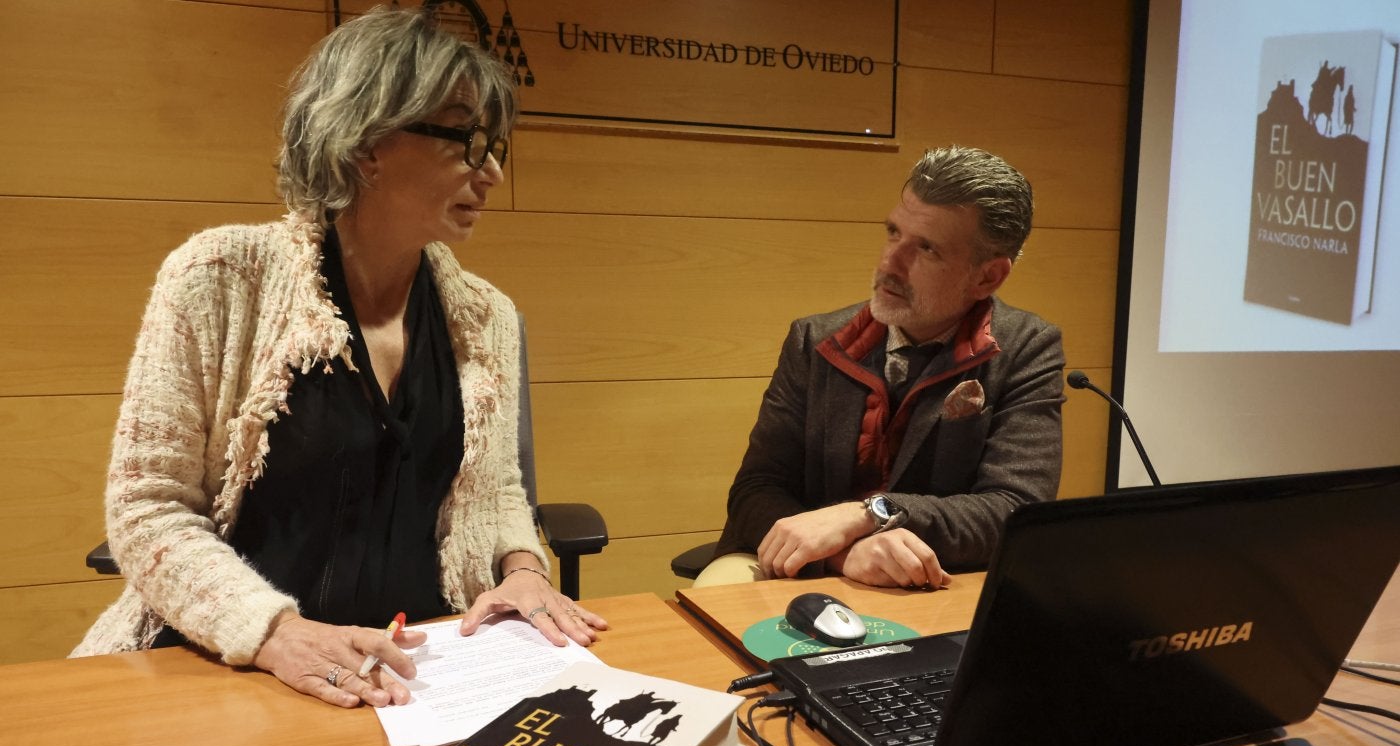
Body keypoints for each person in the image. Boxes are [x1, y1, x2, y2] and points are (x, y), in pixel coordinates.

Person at [71, 7, 605, 707]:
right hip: (235, 666)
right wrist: (276, 633)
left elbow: (497, 487)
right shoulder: (217, 277)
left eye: (495, 142)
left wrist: (524, 566)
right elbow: (149, 509)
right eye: (466, 140)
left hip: (422, 668)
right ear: (365, 143)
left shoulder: (487, 316)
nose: (494, 171)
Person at [698, 146, 1064, 589]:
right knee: (718, 589)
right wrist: (841, 555)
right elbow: (756, 490)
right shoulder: (814, 339)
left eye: (925, 249)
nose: (890, 263)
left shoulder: (1026, 348)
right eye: (893, 233)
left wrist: (867, 516)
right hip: (804, 571)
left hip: (936, 575)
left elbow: (1012, 508)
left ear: (987, 277)